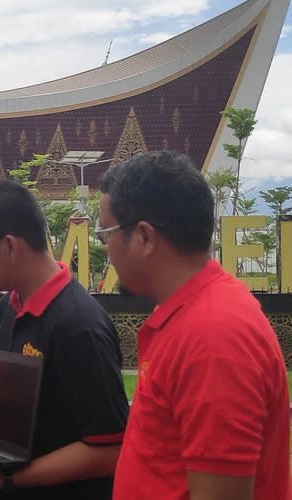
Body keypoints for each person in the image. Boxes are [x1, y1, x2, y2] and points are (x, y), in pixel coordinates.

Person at [98, 151, 291, 500]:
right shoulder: (192, 317)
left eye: (105, 234)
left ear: (144, 237)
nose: (105, 249)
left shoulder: (213, 337)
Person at [0, 179, 129, 499]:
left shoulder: (80, 327)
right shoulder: (7, 308)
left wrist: (10, 479)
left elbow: (109, 450)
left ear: (9, 245)